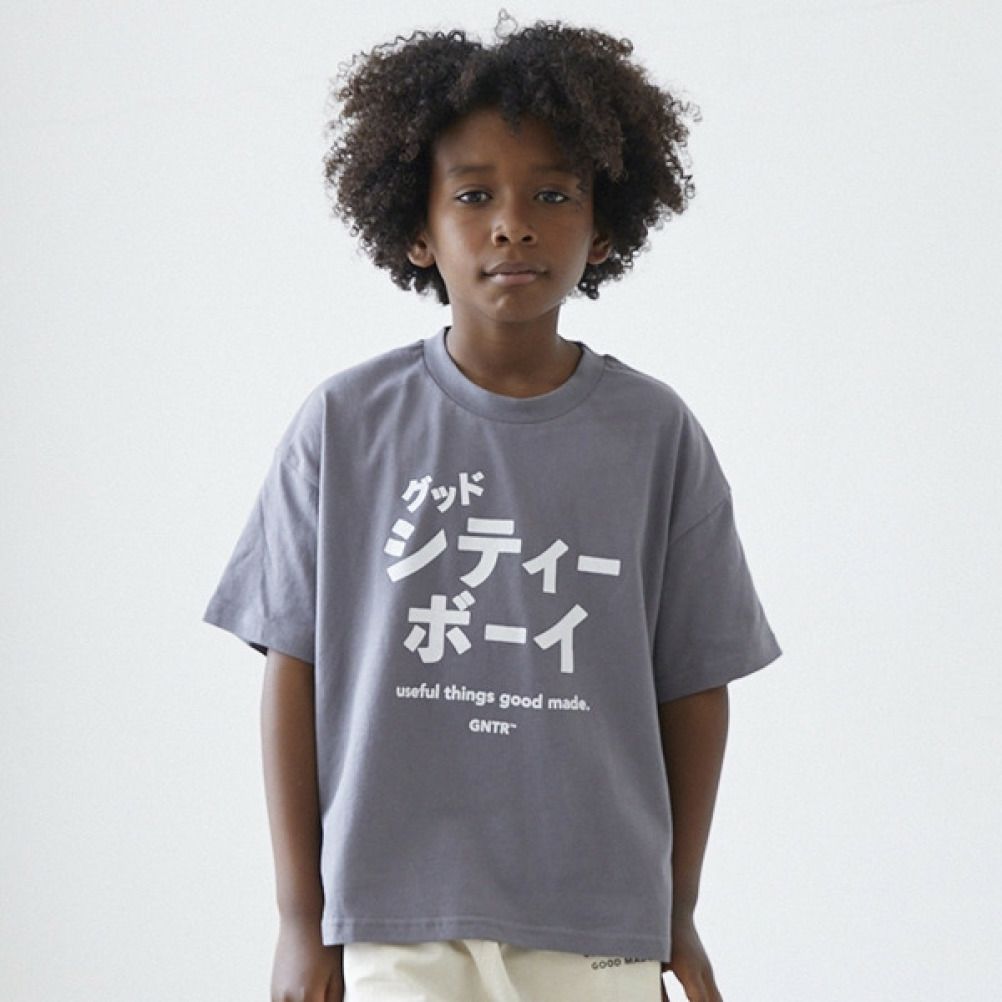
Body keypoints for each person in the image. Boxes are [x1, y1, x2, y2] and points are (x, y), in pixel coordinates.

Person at [202, 12, 783, 1002]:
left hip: (596, 916)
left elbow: (694, 687)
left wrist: (674, 910)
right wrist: (301, 920)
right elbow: (294, 669)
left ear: (604, 225)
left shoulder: (654, 435)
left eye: (553, 194)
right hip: (395, 912)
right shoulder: (346, 425)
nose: (514, 222)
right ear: (417, 229)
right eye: (474, 195)